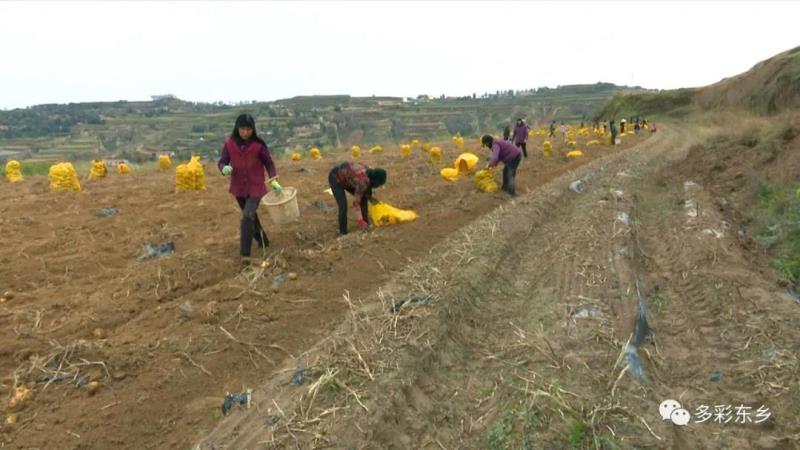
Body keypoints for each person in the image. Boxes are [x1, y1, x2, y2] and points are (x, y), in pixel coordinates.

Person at [218, 113, 280, 259]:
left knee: (247, 216)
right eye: (242, 129)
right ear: (237, 128)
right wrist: (223, 168)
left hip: (256, 187)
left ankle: (245, 255)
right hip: (238, 187)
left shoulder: (259, 146)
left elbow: (269, 163)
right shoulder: (229, 144)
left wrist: (273, 179)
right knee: (251, 216)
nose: (245, 132)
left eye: (249, 129)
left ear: (253, 130)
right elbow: (222, 161)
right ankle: (263, 240)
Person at [328, 161, 387, 235]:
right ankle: (343, 232)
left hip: (348, 178)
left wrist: (370, 198)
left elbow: (366, 190)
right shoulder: (362, 181)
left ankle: (366, 223)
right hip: (335, 177)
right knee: (343, 205)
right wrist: (360, 221)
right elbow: (356, 203)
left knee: (364, 198)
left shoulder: (370, 172)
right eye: (377, 185)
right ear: (374, 181)